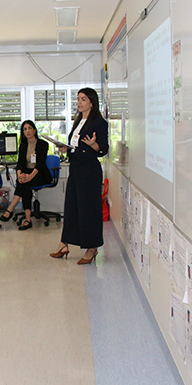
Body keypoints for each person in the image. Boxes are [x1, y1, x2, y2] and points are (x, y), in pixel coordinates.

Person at [50, 88, 109, 264]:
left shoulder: (99, 123)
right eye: (78, 99)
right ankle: (64, 243)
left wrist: (94, 145)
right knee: (72, 207)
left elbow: (103, 150)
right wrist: (65, 149)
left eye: (83, 99)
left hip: (89, 171)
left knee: (89, 210)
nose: (79, 103)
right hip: (76, 169)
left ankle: (92, 248)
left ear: (92, 102)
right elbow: (75, 146)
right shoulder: (78, 121)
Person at [0, 120, 52, 230]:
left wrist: (30, 176)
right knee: (23, 183)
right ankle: (27, 220)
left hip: (40, 174)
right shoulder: (23, 145)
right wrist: (19, 175)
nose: (27, 131)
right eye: (25, 129)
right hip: (27, 173)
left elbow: (40, 164)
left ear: (34, 130)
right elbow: (20, 163)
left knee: (24, 183)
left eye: (30, 128)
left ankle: (11, 209)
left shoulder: (43, 144)